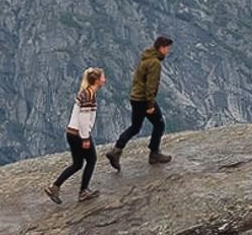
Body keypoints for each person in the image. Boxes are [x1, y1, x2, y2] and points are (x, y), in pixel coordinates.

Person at [108, 35, 174, 166]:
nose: (168, 51)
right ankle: (154, 154)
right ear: (161, 48)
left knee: (135, 127)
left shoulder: (146, 58)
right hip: (145, 100)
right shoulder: (154, 62)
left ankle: (116, 150)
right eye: (167, 48)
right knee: (159, 124)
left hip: (136, 98)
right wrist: (150, 104)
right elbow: (151, 85)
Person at [50, 67, 108, 199]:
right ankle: (83, 191)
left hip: (72, 133)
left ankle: (55, 187)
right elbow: (83, 119)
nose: (105, 80)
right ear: (97, 80)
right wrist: (86, 138)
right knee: (92, 159)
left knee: (77, 164)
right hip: (79, 134)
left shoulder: (85, 92)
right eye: (103, 78)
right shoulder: (89, 95)